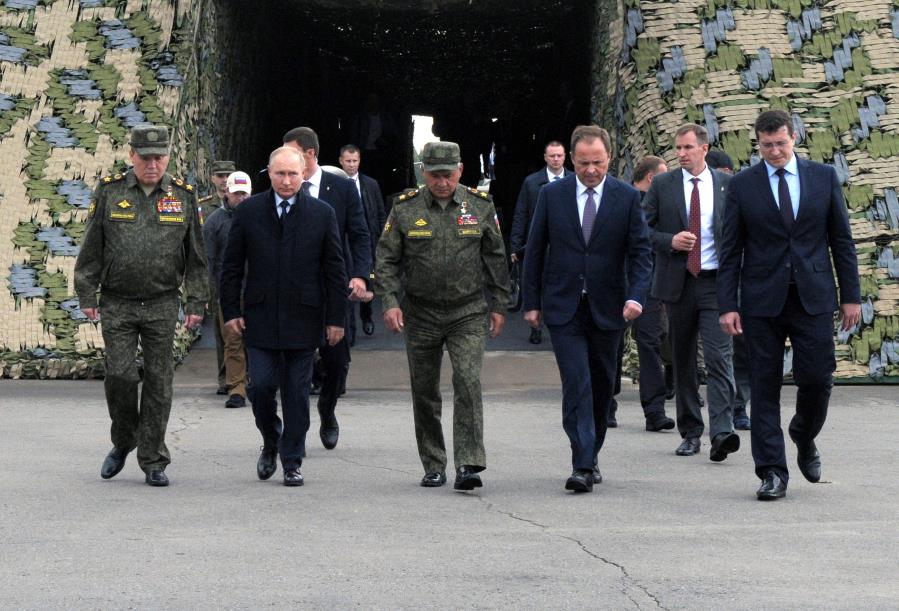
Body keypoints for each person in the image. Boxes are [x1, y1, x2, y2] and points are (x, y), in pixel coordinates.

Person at [718, 109, 860, 500]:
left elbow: (841, 241)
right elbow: (730, 250)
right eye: (767, 146)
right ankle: (772, 472)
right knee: (764, 386)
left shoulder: (822, 177)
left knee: (816, 378)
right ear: (757, 144)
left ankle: (803, 432)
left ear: (794, 137)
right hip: (762, 301)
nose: (775, 151)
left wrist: (851, 296)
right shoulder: (744, 186)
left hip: (812, 297)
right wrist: (728, 304)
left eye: (781, 143)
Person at [74, 124, 207, 487]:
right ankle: (124, 439)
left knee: (159, 382)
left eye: (159, 157)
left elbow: (196, 257)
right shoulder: (111, 191)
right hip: (118, 302)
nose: (153, 164)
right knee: (120, 375)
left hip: (163, 302)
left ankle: (153, 458)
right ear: (131, 155)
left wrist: (196, 300)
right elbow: (91, 249)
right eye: (146, 157)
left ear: (167, 157)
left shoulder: (183, 196)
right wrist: (87, 294)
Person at [522, 125, 652, 493]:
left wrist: (636, 296)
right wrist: (531, 302)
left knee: (600, 386)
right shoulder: (553, 195)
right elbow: (535, 251)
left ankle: (591, 453)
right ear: (572, 160)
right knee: (576, 383)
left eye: (597, 162)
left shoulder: (626, 198)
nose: (590, 169)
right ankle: (581, 462)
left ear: (609, 158)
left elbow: (641, 253)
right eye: (582, 163)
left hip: (610, 307)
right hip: (564, 307)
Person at [374, 141, 510, 491]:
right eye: (434, 175)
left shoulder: (479, 207)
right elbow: (386, 259)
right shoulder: (405, 209)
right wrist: (389, 301)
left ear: (460, 171)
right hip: (420, 312)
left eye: (448, 175)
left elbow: (495, 256)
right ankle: (434, 463)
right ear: (423, 173)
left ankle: (468, 462)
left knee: (467, 380)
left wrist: (499, 304)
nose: (441, 182)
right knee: (424, 389)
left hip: (467, 310)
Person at [220, 147, 348, 486]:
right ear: (269, 174)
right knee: (261, 387)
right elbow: (231, 266)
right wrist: (231, 310)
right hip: (260, 317)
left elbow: (335, 270)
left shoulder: (322, 214)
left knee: (296, 393)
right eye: (280, 174)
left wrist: (336, 319)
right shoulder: (249, 212)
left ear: (304, 173)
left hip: (305, 318)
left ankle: (292, 460)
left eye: (293, 174)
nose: (287, 181)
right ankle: (271, 439)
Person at [644, 124, 739, 462]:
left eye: (687, 148)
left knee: (718, 356)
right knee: (683, 359)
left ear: (704, 147)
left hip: (716, 284)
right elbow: (643, 229)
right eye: (677, 148)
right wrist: (669, 241)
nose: (681, 154)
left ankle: (723, 431)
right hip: (678, 282)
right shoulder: (663, 185)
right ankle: (691, 431)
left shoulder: (728, 185)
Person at [283, 127, 371, 451]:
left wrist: (361, 276)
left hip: (334, 288)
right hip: (294, 291)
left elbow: (360, 234)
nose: (285, 165)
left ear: (309, 154)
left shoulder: (343, 188)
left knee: (336, 361)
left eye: (291, 154)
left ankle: (327, 409)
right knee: (294, 362)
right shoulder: (282, 185)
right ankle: (296, 431)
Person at [627, 155, 676, 432]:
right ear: (651, 178)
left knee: (649, 342)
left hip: (647, 281)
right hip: (621, 280)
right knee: (610, 343)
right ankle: (607, 404)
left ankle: (654, 410)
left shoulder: (661, 203)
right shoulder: (622, 197)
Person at [705, 149, 751, 431]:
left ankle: (739, 405)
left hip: (743, 279)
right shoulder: (697, 200)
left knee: (742, 345)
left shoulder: (741, 195)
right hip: (710, 281)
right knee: (720, 351)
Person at [509, 141, 571, 345]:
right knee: (536, 285)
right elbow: (521, 215)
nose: (555, 159)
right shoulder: (532, 182)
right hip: (538, 243)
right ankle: (536, 327)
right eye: (552, 156)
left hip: (567, 244)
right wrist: (515, 246)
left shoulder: (575, 180)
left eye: (559, 155)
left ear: (565, 156)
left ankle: (563, 328)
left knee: (563, 287)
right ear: (545, 157)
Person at [202, 171, 252, 409]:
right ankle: (236, 388)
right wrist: (206, 294)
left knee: (258, 341)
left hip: (256, 291)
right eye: (237, 194)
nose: (241, 198)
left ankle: (257, 383)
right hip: (228, 292)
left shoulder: (262, 217)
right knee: (232, 341)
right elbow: (207, 260)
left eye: (245, 194)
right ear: (227, 194)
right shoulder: (215, 221)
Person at [339, 144, 386, 337]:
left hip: (367, 240)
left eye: (355, 161)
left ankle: (366, 317)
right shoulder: (333, 184)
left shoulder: (371, 184)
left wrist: (383, 238)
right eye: (348, 161)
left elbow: (381, 213)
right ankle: (349, 327)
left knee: (367, 281)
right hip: (344, 241)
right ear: (341, 161)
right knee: (345, 282)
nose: (351, 165)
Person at [199, 160, 236, 396]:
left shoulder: (246, 203)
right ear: (212, 178)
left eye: (227, 175)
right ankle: (225, 378)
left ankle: (242, 375)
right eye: (220, 175)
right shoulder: (204, 208)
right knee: (222, 331)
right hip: (217, 277)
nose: (223, 180)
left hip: (240, 276)